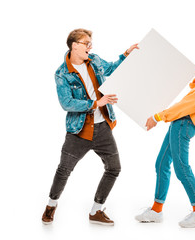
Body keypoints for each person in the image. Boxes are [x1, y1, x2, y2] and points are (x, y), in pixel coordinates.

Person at [41, 28, 138, 226]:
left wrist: (126, 54)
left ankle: (96, 210)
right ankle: (51, 205)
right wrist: (96, 103)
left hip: (102, 128)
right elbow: (66, 103)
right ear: (74, 46)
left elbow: (110, 68)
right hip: (79, 131)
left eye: (90, 43)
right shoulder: (62, 74)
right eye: (87, 43)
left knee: (114, 168)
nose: (90, 47)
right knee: (64, 170)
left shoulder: (93, 60)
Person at [135, 54, 195, 228]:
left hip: (184, 124)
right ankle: (156, 210)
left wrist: (158, 117)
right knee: (161, 163)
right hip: (178, 123)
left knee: (181, 168)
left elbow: (187, 105)